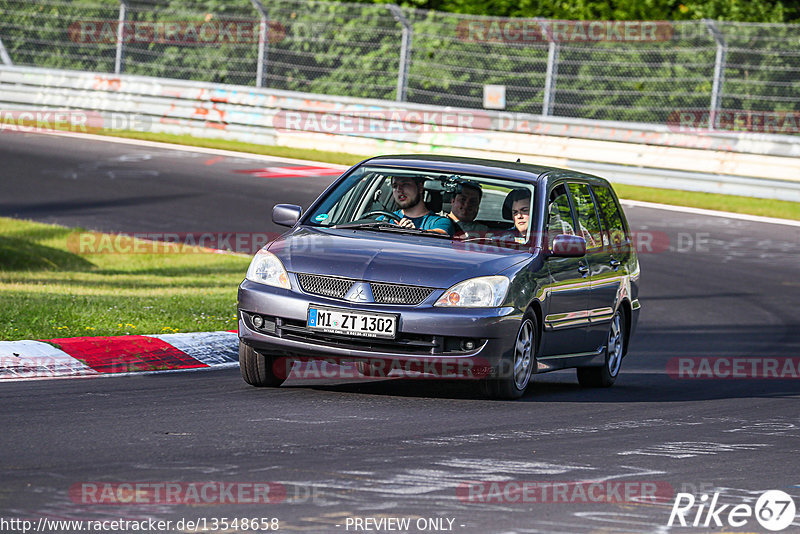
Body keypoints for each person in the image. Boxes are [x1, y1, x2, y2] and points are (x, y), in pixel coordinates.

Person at [387, 175, 454, 235]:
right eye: (395, 186)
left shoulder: (439, 222)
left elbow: (440, 234)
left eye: (405, 184)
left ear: (420, 187)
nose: (399, 189)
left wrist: (415, 232)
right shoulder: (385, 219)